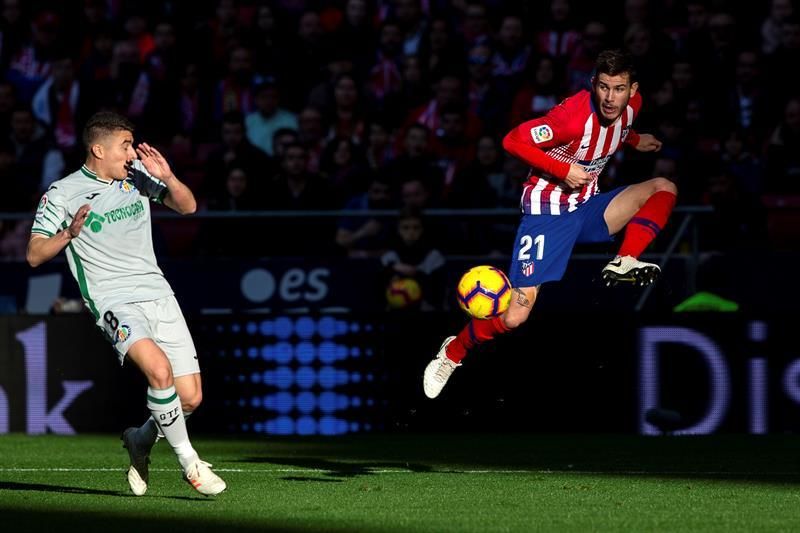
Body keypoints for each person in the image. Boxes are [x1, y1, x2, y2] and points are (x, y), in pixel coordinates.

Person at [423, 49, 677, 399]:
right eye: (603, 87)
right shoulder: (572, 119)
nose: (609, 97)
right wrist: (563, 169)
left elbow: (621, 128)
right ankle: (453, 353)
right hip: (547, 213)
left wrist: (635, 140)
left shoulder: (633, 107)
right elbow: (511, 140)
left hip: (588, 206)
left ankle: (626, 259)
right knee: (515, 317)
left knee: (663, 187)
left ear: (633, 90)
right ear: (593, 84)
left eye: (618, 89)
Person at [26, 110, 226, 496]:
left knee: (190, 398)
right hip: (114, 299)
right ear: (98, 149)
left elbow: (188, 207)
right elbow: (35, 253)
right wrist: (69, 232)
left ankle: (140, 440)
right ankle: (190, 464)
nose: (132, 153)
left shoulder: (136, 178)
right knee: (159, 370)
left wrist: (167, 178)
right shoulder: (62, 193)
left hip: (158, 292)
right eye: (125, 146)